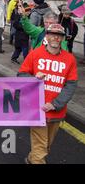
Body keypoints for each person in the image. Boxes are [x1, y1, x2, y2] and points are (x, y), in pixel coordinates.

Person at [18, 24, 78, 164]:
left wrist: (55, 104)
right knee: (40, 147)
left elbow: (71, 85)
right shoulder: (35, 54)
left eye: (59, 35)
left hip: (57, 112)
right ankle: (36, 159)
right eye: (52, 34)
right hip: (37, 111)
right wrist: (34, 78)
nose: (55, 37)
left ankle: (31, 159)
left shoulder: (70, 59)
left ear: (63, 39)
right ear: (46, 36)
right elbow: (21, 75)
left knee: (46, 146)